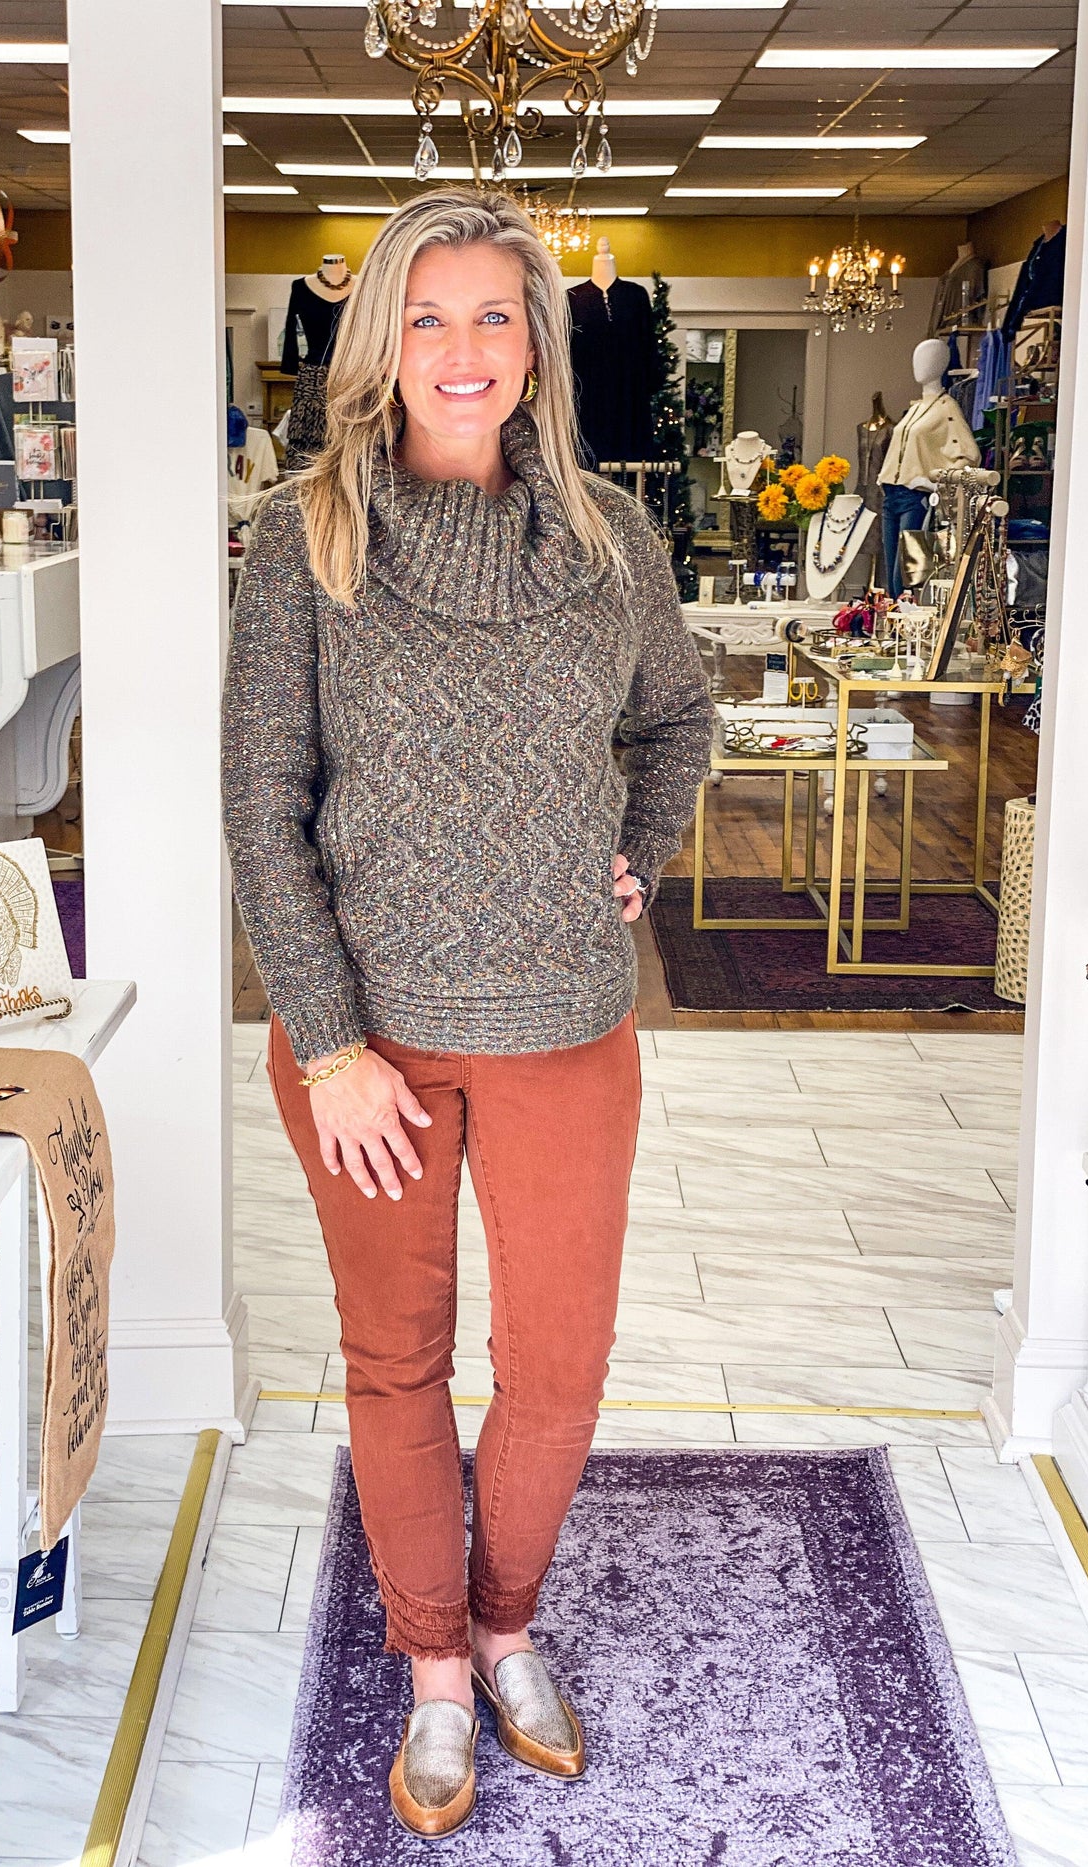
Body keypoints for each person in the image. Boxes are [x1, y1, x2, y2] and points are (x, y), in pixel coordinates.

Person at [221, 186, 713, 1839]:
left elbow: (678, 720)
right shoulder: (304, 540)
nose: (461, 348)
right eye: (427, 316)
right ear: (379, 342)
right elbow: (261, 805)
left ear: (536, 346)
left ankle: (507, 1626)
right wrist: (330, 1045)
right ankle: (435, 1662)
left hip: (568, 1019)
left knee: (559, 1368)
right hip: (368, 1042)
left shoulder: (615, 542)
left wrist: (641, 848)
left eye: (494, 314)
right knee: (397, 1363)